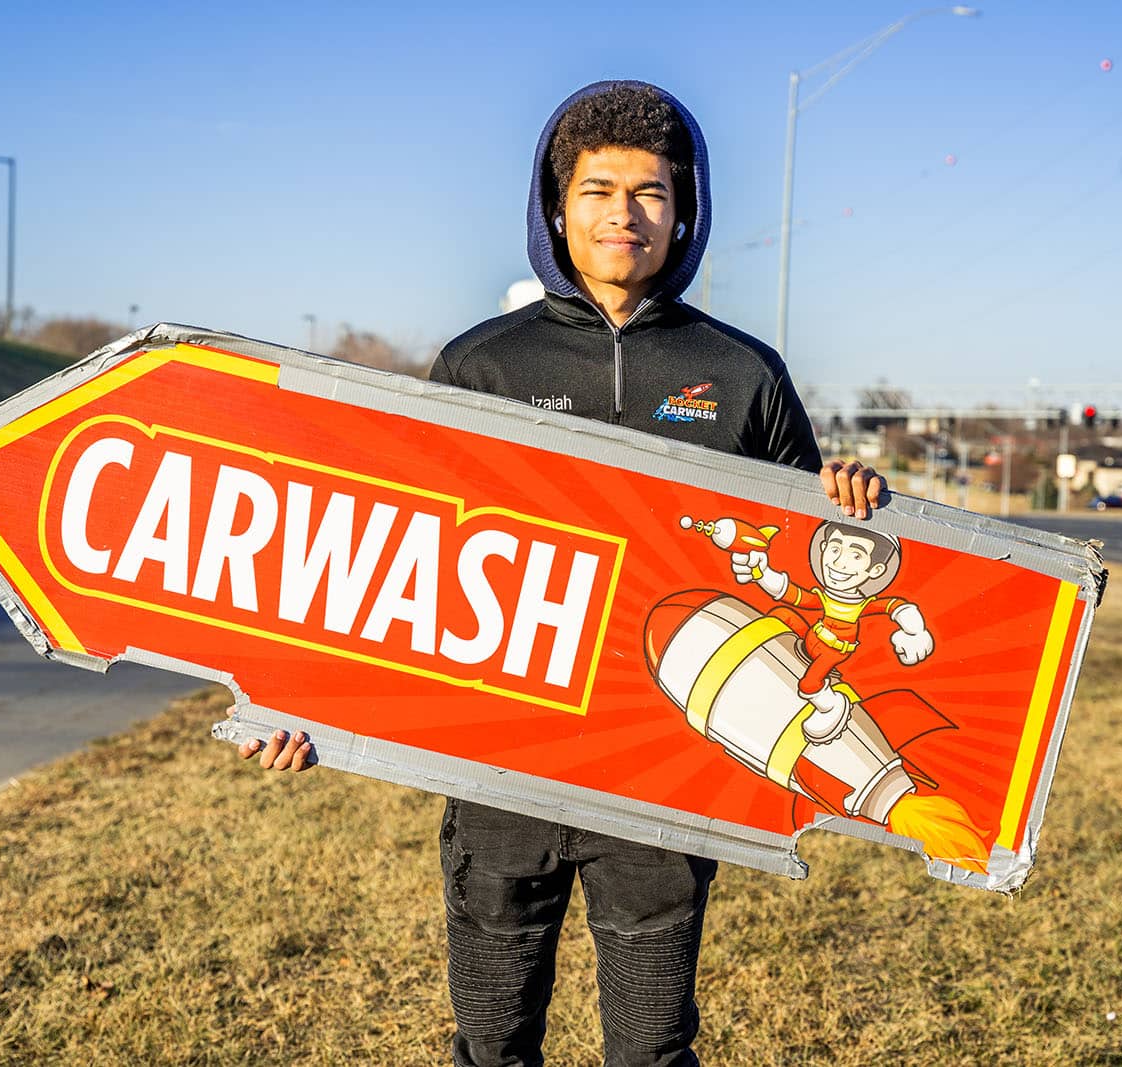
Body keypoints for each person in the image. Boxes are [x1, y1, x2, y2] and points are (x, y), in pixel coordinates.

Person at [241, 80, 885, 1067]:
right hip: (502, 772)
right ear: (556, 206)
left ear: (685, 209)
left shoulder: (744, 373)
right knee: (492, 1047)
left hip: (662, 785)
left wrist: (848, 501)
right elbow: (388, 563)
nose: (623, 214)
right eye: (596, 190)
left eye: (648, 191)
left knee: (651, 1050)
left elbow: (806, 563)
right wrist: (302, 705)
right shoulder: (479, 366)